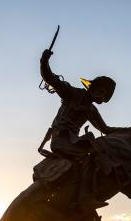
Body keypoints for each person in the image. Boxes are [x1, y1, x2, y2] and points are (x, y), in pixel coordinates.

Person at [38, 48, 120, 209]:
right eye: (101, 91)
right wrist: (44, 61)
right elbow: (50, 78)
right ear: (93, 87)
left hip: (72, 142)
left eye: (105, 96)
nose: (102, 96)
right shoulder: (71, 93)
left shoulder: (91, 110)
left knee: (98, 153)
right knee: (91, 158)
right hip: (60, 140)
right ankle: (85, 198)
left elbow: (106, 129)